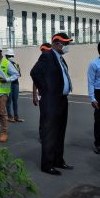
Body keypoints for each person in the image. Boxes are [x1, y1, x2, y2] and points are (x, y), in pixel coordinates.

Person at [30, 33, 74, 176]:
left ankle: (58, 160)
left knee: (60, 132)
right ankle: (47, 164)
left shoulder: (60, 59)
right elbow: (34, 72)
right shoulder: (47, 55)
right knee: (50, 133)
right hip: (51, 100)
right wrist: (45, 89)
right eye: (65, 44)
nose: (67, 47)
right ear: (56, 43)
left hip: (61, 100)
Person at [5, 49, 24, 123]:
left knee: (15, 100)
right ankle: (9, 116)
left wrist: (16, 68)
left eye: (12, 56)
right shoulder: (5, 64)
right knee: (9, 100)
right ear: (6, 56)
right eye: (9, 56)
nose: (10, 57)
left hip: (15, 84)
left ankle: (16, 116)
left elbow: (19, 74)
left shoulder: (16, 64)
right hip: (8, 84)